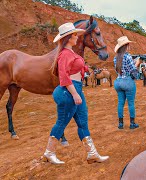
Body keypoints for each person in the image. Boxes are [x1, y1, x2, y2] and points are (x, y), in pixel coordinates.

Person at [43, 22, 109, 164]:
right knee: (61, 122)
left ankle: (92, 154)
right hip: (69, 91)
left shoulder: (71, 52)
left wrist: (84, 68)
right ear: (68, 38)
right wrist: (74, 94)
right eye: (74, 35)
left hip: (76, 89)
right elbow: (64, 77)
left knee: (83, 122)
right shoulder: (65, 54)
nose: (77, 37)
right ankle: (49, 152)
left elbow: (74, 69)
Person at [113, 36, 139, 129]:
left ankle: (120, 124)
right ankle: (132, 124)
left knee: (120, 103)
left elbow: (117, 70)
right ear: (126, 46)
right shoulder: (128, 56)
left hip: (118, 82)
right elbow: (133, 71)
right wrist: (136, 63)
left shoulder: (115, 58)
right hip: (127, 82)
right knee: (131, 103)